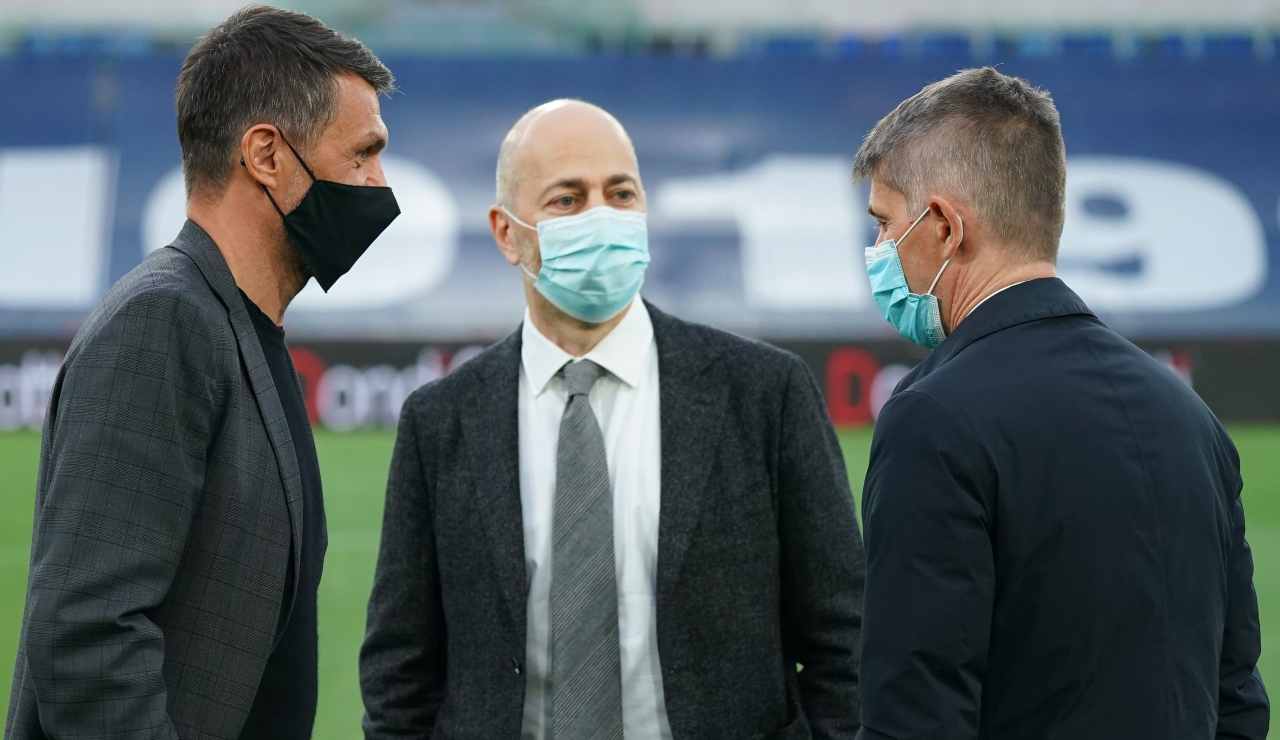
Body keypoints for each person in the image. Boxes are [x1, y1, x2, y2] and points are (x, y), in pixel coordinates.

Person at [360, 99, 865, 739]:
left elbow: (846, 638)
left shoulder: (765, 393)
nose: (601, 217)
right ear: (506, 232)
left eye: (621, 194)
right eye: (567, 200)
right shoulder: (441, 422)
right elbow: (400, 672)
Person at [5, 6, 399, 739]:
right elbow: (89, 638)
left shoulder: (242, 330)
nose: (378, 184)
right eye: (363, 154)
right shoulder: (164, 323)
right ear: (267, 155)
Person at [853, 67, 1269, 740]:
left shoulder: (933, 418)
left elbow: (915, 717)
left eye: (883, 224)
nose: (877, 250)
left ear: (945, 227)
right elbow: (1237, 703)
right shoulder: (1191, 419)